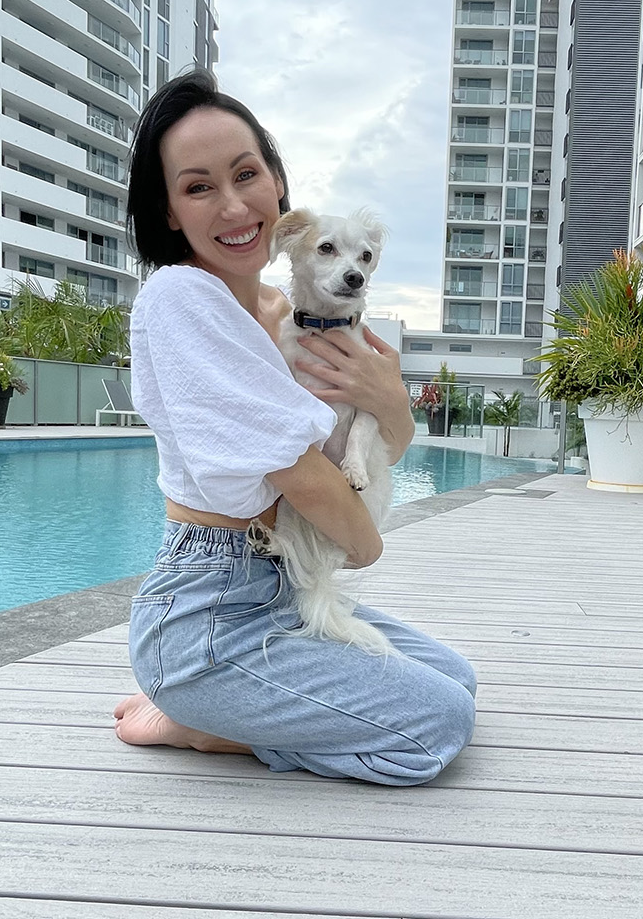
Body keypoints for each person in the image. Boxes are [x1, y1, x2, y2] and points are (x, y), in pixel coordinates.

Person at [112, 69, 477, 786]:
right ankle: (204, 724)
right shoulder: (180, 297)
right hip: (210, 610)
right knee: (439, 722)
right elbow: (303, 474)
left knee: (455, 678)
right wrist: (366, 543)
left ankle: (235, 711)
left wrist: (391, 401)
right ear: (169, 213)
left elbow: (388, 444)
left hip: (283, 586)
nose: (233, 204)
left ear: (277, 185)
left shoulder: (291, 316)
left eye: (246, 174)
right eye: (198, 187)